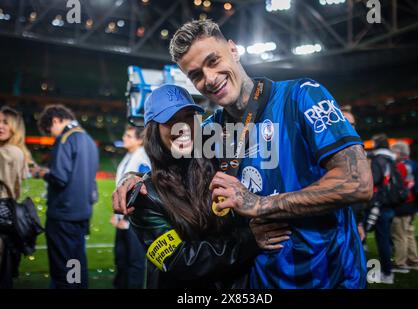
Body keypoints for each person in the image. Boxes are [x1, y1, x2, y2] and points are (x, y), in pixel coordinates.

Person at [115, 19, 373, 289]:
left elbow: (358, 182)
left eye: (213, 61)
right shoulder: (211, 130)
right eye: (196, 75)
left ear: (234, 50)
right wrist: (132, 179)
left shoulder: (302, 96)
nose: (210, 78)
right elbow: (171, 164)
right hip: (259, 284)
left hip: (332, 278)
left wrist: (259, 204)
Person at [124, 84, 289, 288]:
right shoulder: (143, 195)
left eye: (188, 117)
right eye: (170, 121)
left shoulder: (220, 165)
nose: (182, 127)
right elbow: (179, 261)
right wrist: (248, 241)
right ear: (154, 131)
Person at [32, 105, 98, 288]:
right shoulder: (88, 139)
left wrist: (42, 173)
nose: (52, 135)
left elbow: (60, 178)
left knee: (63, 270)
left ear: (55, 121)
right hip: (82, 213)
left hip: (63, 215)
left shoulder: (65, 139)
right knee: (76, 263)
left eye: (49, 131)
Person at [111, 125, 150, 289]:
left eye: (129, 136)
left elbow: (141, 191)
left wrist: (125, 218)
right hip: (123, 218)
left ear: (140, 140)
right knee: (121, 258)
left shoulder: (142, 158)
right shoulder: (130, 155)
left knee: (134, 261)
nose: (124, 138)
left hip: (133, 221)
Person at [0, 106, 33, 288]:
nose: (0, 126)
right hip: (8, 220)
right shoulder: (15, 150)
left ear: (15, 127)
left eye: (6, 122)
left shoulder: (8, 153)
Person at [368, 134, 402, 284]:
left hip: (380, 204)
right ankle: (389, 268)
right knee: (387, 239)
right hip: (391, 204)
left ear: (376, 144)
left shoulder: (378, 160)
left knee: (382, 241)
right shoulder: (391, 159)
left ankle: (387, 273)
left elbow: (375, 180)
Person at [390, 141, 418, 272]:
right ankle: (415, 261)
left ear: (398, 152)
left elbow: (398, 188)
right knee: (408, 233)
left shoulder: (401, 166)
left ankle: (401, 263)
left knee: (399, 235)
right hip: (413, 204)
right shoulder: (414, 164)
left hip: (403, 205)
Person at [342, 105, 366, 242]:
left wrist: (358, 223)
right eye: (346, 124)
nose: (351, 128)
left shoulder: (355, 150)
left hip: (349, 219)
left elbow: (357, 192)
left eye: (353, 124)